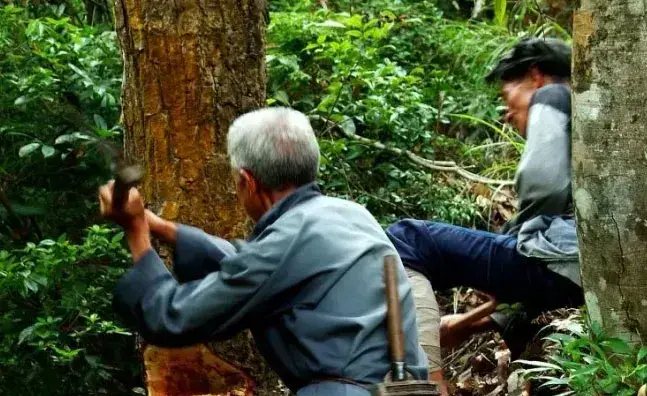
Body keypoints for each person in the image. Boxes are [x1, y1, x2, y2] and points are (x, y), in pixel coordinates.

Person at [99, 107, 428, 396]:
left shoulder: (288, 240)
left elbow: (173, 318)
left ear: (248, 181)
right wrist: (160, 227)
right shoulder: (350, 215)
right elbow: (252, 263)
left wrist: (137, 234)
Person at [386, 37, 584, 362]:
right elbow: (554, 276)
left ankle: (429, 382)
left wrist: (516, 237)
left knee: (406, 238)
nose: (507, 113)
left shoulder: (553, 94)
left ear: (536, 76)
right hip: (576, 271)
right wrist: (468, 324)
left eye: (508, 97)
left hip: (564, 265)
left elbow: (544, 187)